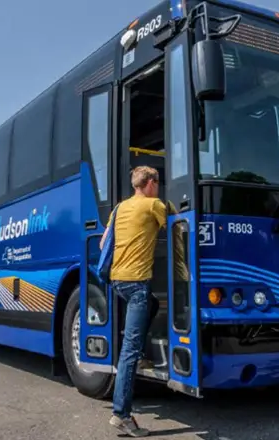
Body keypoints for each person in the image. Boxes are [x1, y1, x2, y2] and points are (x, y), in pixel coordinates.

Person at [100, 165, 166, 438]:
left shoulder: (119, 208)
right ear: (150, 183)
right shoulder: (154, 205)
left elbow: (105, 241)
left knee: (154, 304)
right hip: (137, 284)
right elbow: (184, 226)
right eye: (158, 181)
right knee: (129, 351)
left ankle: (137, 351)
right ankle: (121, 415)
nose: (159, 186)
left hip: (118, 281)